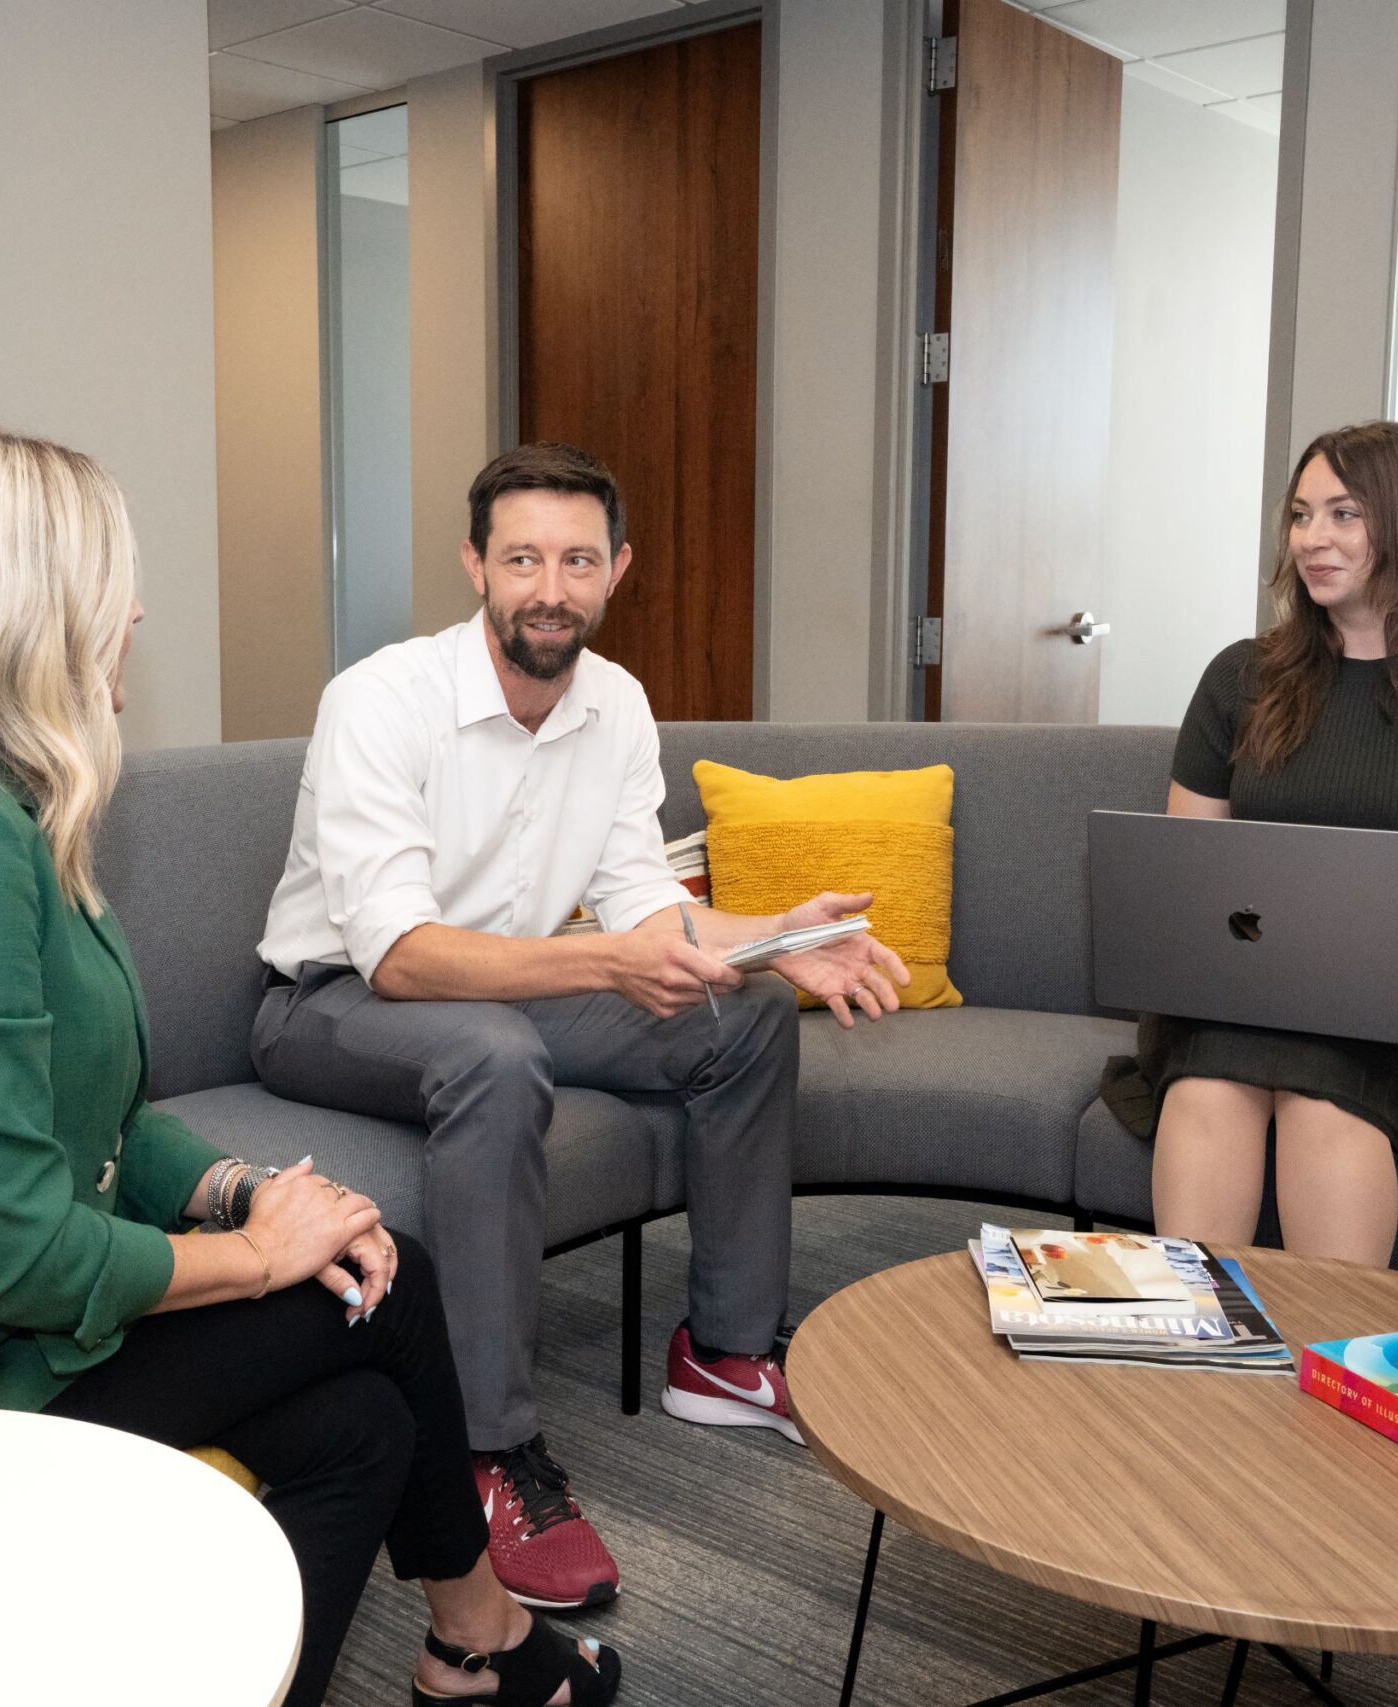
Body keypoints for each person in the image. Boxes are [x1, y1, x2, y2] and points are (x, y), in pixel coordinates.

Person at [0, 427, 620, 1707]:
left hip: (2, 1328)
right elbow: (18, 1254)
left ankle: (469, 1656)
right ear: (36, 611)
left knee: (362, 1426)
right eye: (112, 578)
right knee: (390, 1298)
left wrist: (244, 1193)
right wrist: (260, 1256)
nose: (135, 609)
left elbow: (111, 1123)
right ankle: (487, 1647)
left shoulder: (7, 808)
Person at [253, 441, 912, 1611]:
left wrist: (773, 941)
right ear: (475, 566)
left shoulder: (615, 704)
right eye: (521, 558)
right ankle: (488, 1449)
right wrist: (607, 960)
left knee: (747, 1015)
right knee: (496, 1056)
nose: (547, 587)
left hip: (513, 992)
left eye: (574, 560)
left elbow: (647, 907)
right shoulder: (379, 701)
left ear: (617, 570)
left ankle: (726, 1350)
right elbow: (400, 956)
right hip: (333, 1002)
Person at [1101, 420, 1398, 1270]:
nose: (1312, 538)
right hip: (1249, 983)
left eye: (1344, 514)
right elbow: (1186, 878)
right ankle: (1183, 1353)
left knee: (1323, 1093)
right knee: (1210, 1074)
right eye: (1301, 514)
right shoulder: (1241, 678)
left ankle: (1334, 1370)